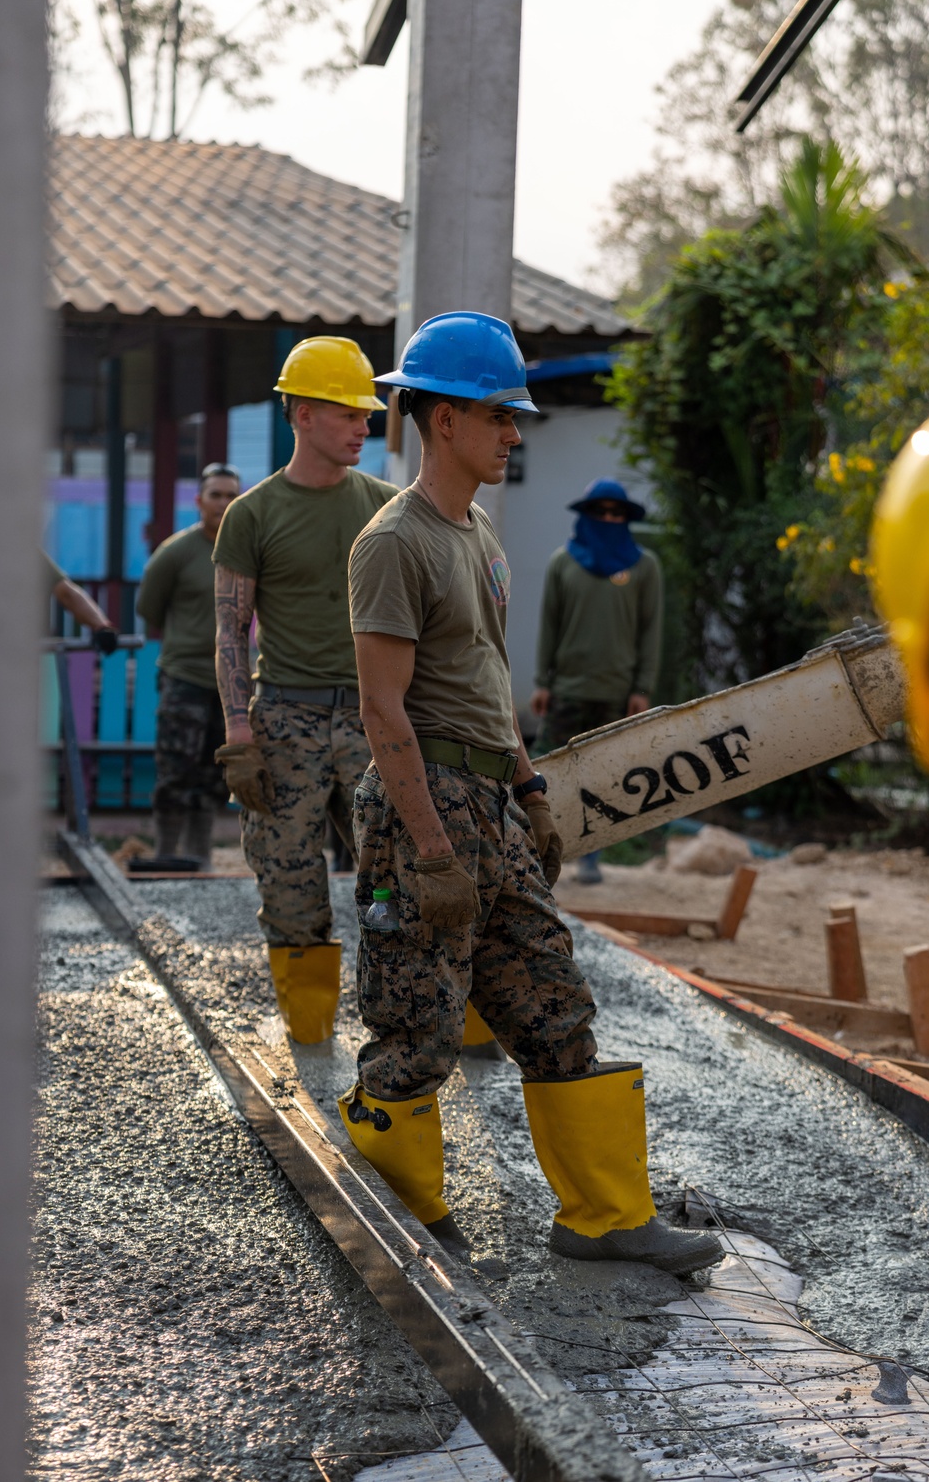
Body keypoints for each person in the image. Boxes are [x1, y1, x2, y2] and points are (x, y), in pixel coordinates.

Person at [338, 310, 720, 1276]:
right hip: (419, 805)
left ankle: (601, 1212)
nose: (515, 432)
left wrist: (530, 791)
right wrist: (428, 850)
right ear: (443, 420)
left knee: (552, 999)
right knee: (416, 1022)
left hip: (491, 805)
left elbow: (491, 683)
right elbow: (385, 712)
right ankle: (404, 1220)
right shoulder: (393, 543)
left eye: (516, 415)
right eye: (499, 414)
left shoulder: (479, 538)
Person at [211, 336, 397, 1045]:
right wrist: (237, 733)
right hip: (285, 719)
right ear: (300, 413)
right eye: (347, 411)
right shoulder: (252, 515)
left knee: (393, 879)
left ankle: (405, 1023)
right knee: (289, 885)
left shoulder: (387, 509)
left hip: (374, 719)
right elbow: (231, 630)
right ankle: (311, 1035)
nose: (363, 425)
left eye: (366, 413)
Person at [531, 478, 662, 883]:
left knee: (605, 776)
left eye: (616, 513)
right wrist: (542, 682)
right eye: (600, 512)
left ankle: (591, 858)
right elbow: (549, 625)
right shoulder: (562, 563)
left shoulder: (643, 567)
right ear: (586, 515)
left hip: (616, 693)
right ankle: (541, 853)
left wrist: (641, 690)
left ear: (626, 518)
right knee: (547, 774)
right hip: (567, 690)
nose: (608, 519)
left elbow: (650, 631)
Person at [135, 463, 241, 867]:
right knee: (176, 770)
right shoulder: (177, 551)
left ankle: (198, 856)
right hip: (184, 677)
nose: (223, 502)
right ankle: (166, 854)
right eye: (215, 494)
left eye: (231, 495)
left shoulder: (244, 550)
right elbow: (148, 607)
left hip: (229, 681)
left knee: (215, 775)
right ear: (199, 501)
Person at [43, 550, 118, 653]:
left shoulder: (21, 549)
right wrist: (102, 627)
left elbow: (67, 594)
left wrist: (102, 627)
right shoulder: (25, 550)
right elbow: (67, 594)